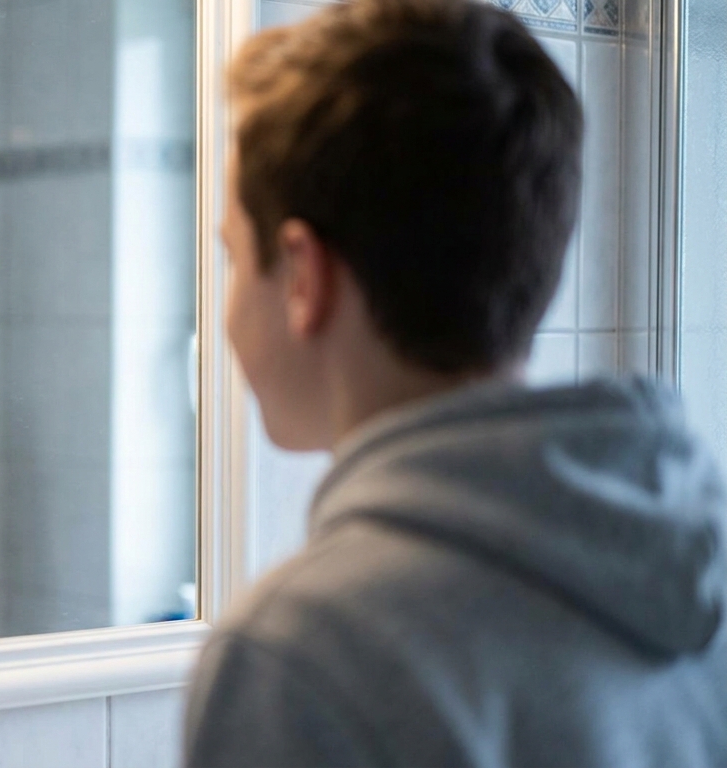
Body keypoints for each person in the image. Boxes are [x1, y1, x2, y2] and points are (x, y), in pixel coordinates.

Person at [185, 0, 727, 764]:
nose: (229, 306)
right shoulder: (694, 569)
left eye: (234, 257)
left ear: (304, 277)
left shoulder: (300, 655)